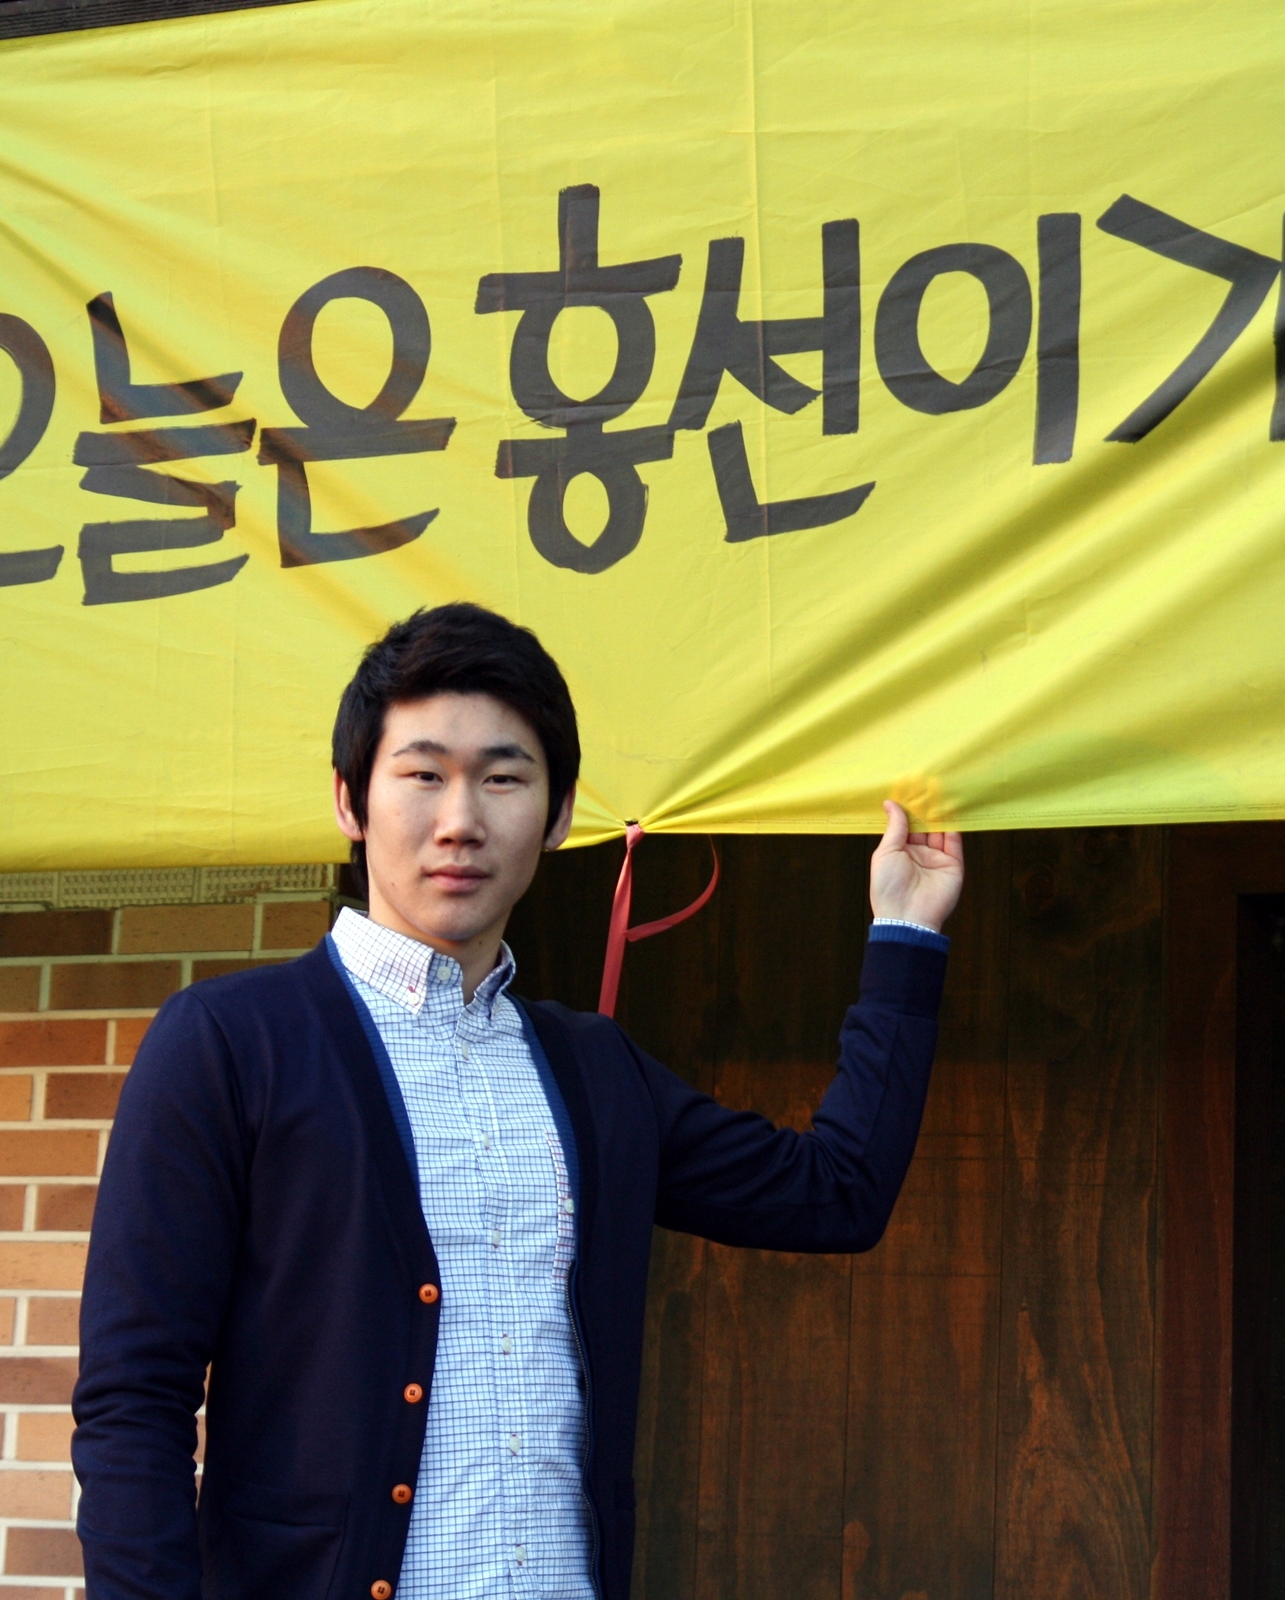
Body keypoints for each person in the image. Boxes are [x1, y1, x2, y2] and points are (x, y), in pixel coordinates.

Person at [72, 603, 963, 1600]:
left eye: (503, 777)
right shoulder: (229, 1043)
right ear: (349, 799)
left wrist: (906, 936)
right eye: (422, 775)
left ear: (560, 812)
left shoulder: (594, 1069)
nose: (461, 820)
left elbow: (836, 1192)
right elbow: (133, 1399)